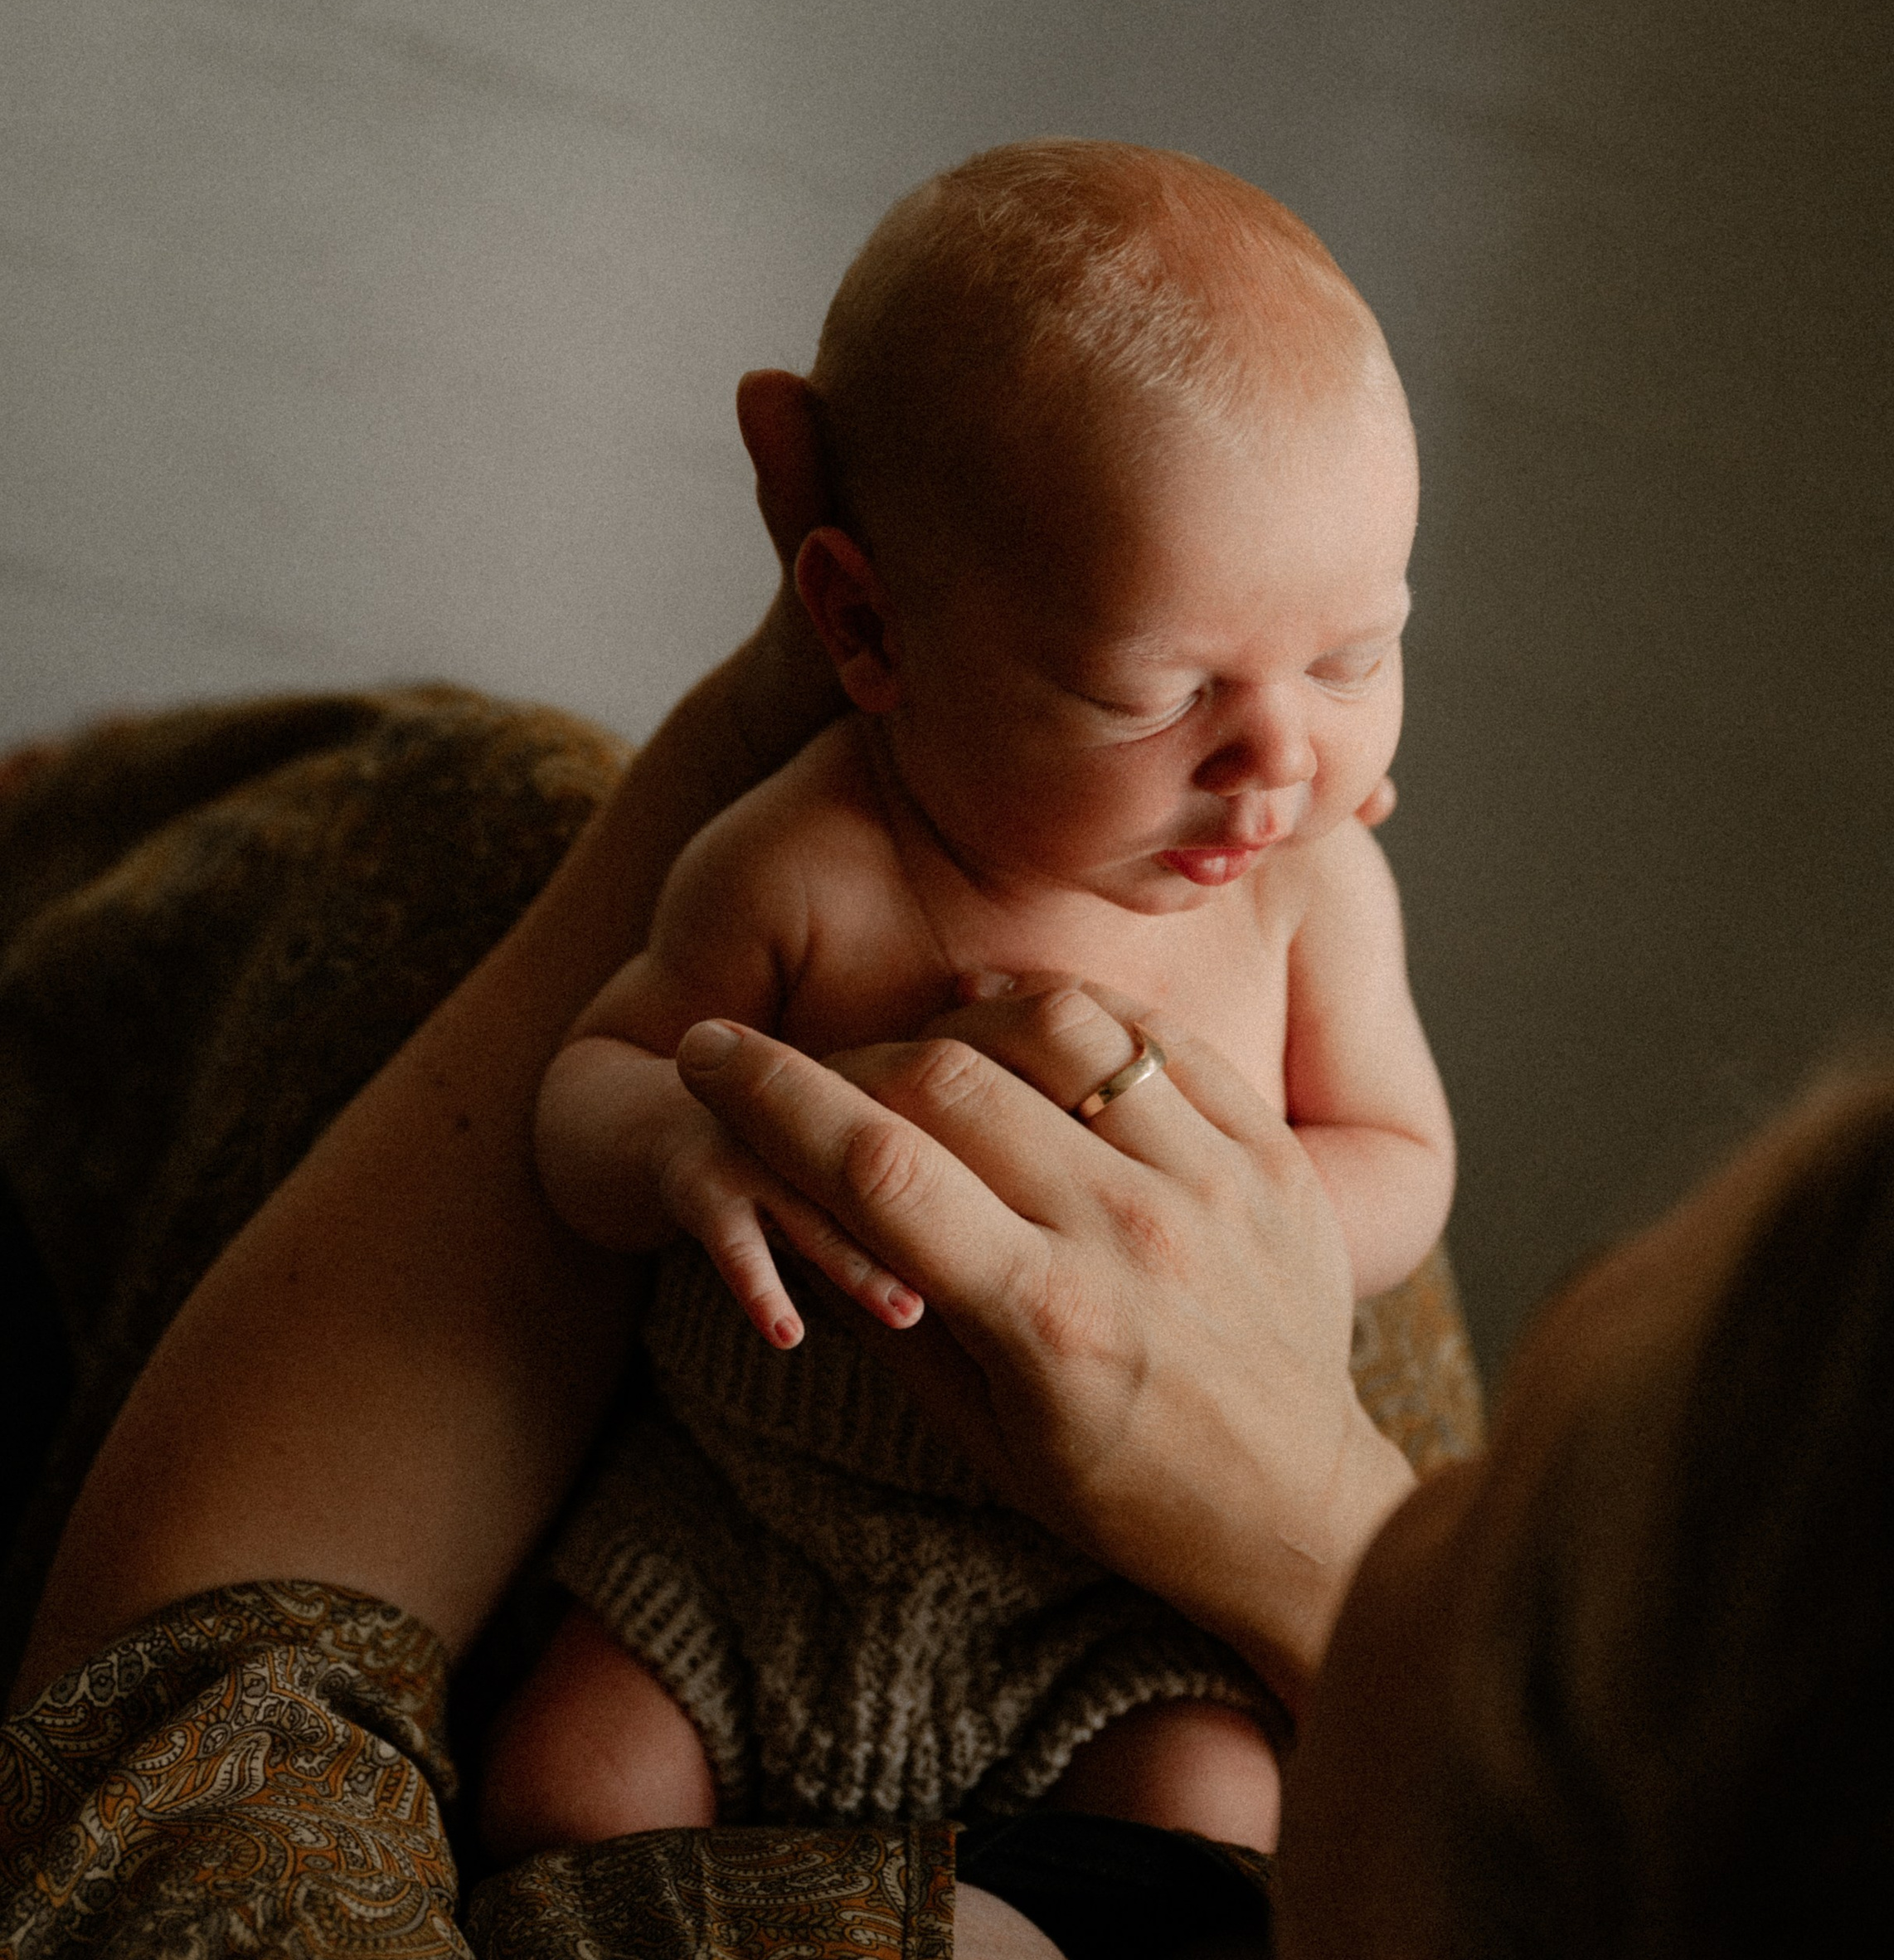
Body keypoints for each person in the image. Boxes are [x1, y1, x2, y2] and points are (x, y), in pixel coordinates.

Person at [4, 557, 1894, 1960]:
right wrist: (1294, 1493)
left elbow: (180, 1752)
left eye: (1484, 1497)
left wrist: (753, 744)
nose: (1392, 1489)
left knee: (480, 839)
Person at [486, 139, 1453, 1862]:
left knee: (1210, 1835)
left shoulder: (1311, 897)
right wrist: (685, 1148)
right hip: (749, 1530)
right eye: (1155, 691)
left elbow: (1399, 1149)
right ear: (868, 629)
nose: (1276, 757)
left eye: (1350, 660)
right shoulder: (810, 865)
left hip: (1095, 1594)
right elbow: (590, 1083)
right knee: (564, 1792)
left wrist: (1251, 1223)